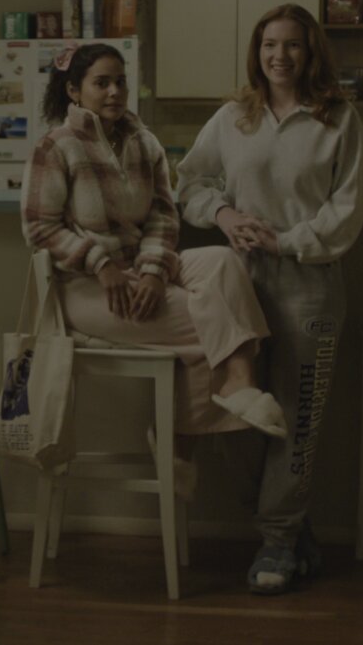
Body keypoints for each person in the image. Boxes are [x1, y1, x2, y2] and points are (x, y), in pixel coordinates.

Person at [177, 3, 363, 595]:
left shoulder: (339, 119)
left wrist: (286, 241)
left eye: (291, 45)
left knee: (297, 417)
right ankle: (287, 530)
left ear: (311, 53)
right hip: (238, 283)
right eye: (268, 45)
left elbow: (347, 208)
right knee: (236, 411)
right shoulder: (233, 117)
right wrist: (225, 215)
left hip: (310, 284)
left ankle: (279, 543)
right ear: (256, 52)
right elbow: (189, 183)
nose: (278, 56)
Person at [21, 42, 283, 447]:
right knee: (213, 321)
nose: (114, 92)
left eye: (120, 82)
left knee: (223, 260)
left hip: (140, 271)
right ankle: (178, 440)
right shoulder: (56, 147)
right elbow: (40, 228)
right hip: (85, 288)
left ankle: (236, 382)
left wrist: (155, 272)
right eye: (101, 83)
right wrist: (102, 265)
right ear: (74, 90)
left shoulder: (145, 144)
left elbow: (163, 217)